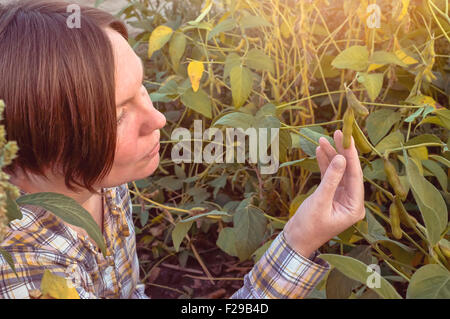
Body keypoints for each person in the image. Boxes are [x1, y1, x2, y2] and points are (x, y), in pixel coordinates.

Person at [0, 0, 365, 299]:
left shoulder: (98, 177)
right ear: (40, 141)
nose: (158, 119)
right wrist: (301, 242)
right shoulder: (27, 276)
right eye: (116, 117)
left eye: (142, 88)